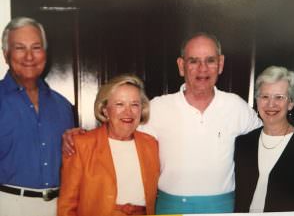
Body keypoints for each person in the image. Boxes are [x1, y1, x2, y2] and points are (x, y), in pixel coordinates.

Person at [63, 32, 262, 214]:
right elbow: (120, 132)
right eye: (193, 61)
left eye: (210, 60)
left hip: (222, 207)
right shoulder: (158, 107)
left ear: (220, 63)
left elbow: (269, 137)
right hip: (170, 207)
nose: (202, 69)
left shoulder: (236, 106)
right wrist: (80, 137)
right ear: (181, 65)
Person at [0, 17, 75, 216]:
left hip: (58, 206)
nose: (29, 56)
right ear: (6, 54)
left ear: (45, 54)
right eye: (19, 48)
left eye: (36, 47)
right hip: (8, 206)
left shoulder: (64, 106)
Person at [57, 74, 160, 216]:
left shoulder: (151, 145)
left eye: (134, 104)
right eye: (120, 104)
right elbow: (67, 205)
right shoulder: (82, 144)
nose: (128, 112)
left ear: (142, 109)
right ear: (105, 110)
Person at [234, 66, 294, 212]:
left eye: (279, 97)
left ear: (291, 103)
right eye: (265, 96)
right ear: (257, 100)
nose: (271, 104)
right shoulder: (243, 143)